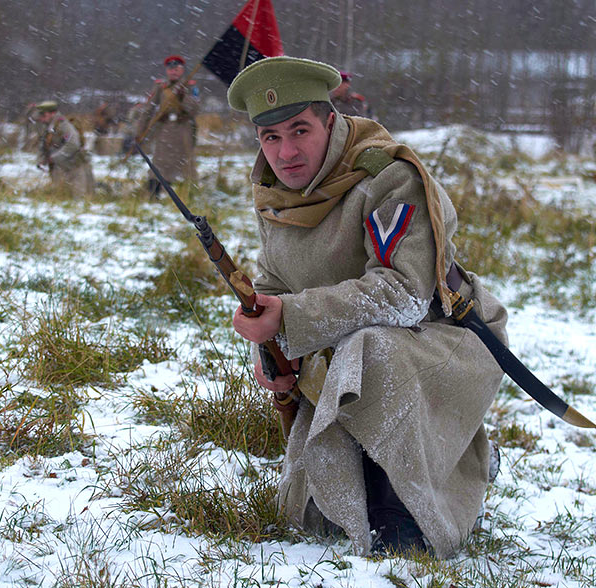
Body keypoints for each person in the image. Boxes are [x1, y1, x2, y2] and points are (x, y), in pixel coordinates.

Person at [227, 57, 507, 558]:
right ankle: (452, 456)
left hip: (447, 338)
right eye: (270, 137)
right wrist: (270, 347)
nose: (286, 152)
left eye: (299, 130)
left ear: (330, 122)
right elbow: (275, 281)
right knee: (311, 513)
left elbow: (405, 292)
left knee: (372, 350)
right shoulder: (275, 192)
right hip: (351, 353)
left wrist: (292, 319)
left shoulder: (385, 177)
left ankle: (403, 517)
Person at [136, 55, 199, 197]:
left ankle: (186, 193)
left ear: (182, 70)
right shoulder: (160, 87)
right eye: (170, 69)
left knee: (184, 163)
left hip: (183, 129)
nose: (173, 72)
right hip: (164, 130)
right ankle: (155, 192)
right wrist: (140, 131)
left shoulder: (189, 86)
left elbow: (195, 109)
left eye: (176, 69)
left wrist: (184, 97)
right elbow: (148, 109)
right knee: (160, 162)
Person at [33, 100, 95, 197]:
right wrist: (40, 160)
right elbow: (43, 144)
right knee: (61, 196)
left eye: (44, 115)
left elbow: (73, 144)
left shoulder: (64, 125)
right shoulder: (48, 127)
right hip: (60, 168)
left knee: (79, 197)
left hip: (74, 168)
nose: (41, 119)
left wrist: (54, 158)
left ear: (52, 113)